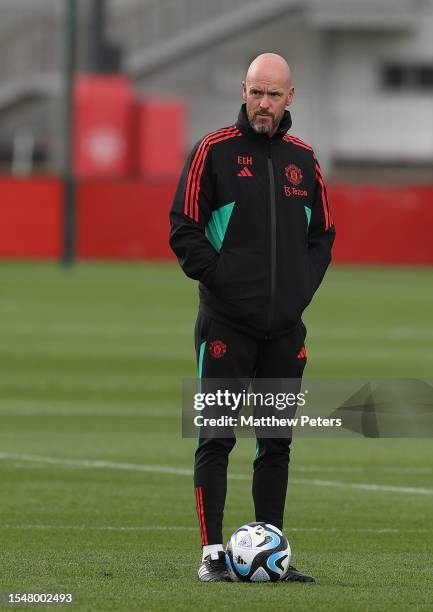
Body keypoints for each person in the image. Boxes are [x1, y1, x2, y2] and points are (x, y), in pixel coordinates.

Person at [169, 52, 335, 582]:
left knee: (276, 444)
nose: (264, 103)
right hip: (225, 327)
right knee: (216, 438)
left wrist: (298, 291)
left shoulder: (305, 161)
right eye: (256, 92)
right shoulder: (213, 152)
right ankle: (212, 555)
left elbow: (322, 236)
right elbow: (183, 228)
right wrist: (224, 283)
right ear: (243, 90)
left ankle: (273, 554)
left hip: (285, 331)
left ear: (291, 98)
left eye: (274, 94)